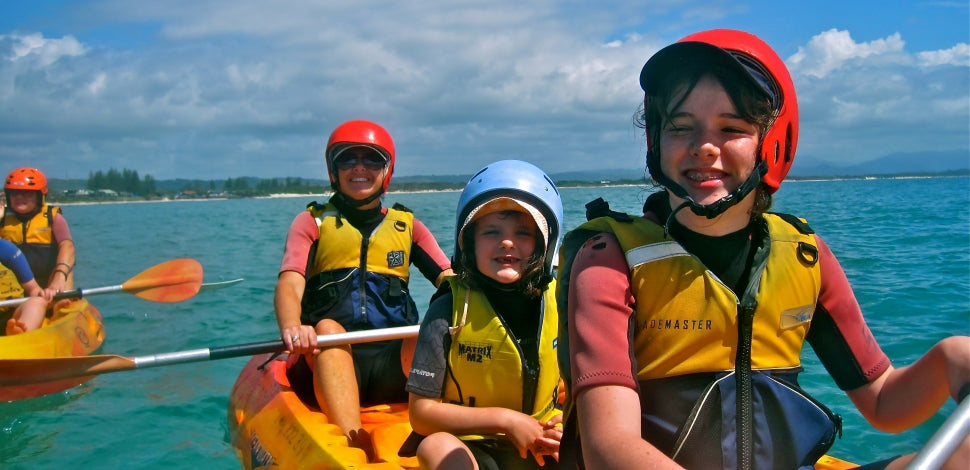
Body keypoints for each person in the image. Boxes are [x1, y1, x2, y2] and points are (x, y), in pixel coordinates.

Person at [556, 29, 970, 470]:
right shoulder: (608, 258)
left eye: (731, 128)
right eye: (681, 127)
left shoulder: (804, 256)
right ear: (656, 141)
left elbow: (885, 402)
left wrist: (951, 359)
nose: (704, 147)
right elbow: (609, 446)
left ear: (772, 142)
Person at [274, 119, 453, 461]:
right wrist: (292, 327)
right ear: (333, 170)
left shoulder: (407, 226)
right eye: (347, 159)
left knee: (430, 323)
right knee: (328, 329)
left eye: (371, 160)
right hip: (330, 359)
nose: (359, 168)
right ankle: (354, 447)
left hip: (392, 365)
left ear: (386, 171)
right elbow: (291, 281)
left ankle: (438, 425)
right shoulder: (312, 222)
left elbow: (448, 278)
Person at [404, 159, 564, 470]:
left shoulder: (560, 300)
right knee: (436, 445)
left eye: (523, 233)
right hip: (469, 441)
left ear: (545, 245)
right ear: (469, 242)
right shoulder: (447, 308)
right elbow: (420, 414)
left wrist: (565, 420)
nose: (507, 242)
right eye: (492, 231)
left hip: (538, 439)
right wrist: (505, 420)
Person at [1, 167, 75, 333]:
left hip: (50, 284)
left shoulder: (52, 217)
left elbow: (67, 246)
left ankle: (60, 307)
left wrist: (58, 277)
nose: (19, 197)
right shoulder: (2, 218)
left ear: (39, 196)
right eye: (14, 193)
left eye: (26, 193)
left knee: (66, 269)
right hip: (16, 289)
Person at [0, 238, 50, 335]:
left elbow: (33, 289)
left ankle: (20, 333)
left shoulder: (6, 249)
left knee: (37, 302)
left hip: (10, 316)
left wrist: (45, 296)